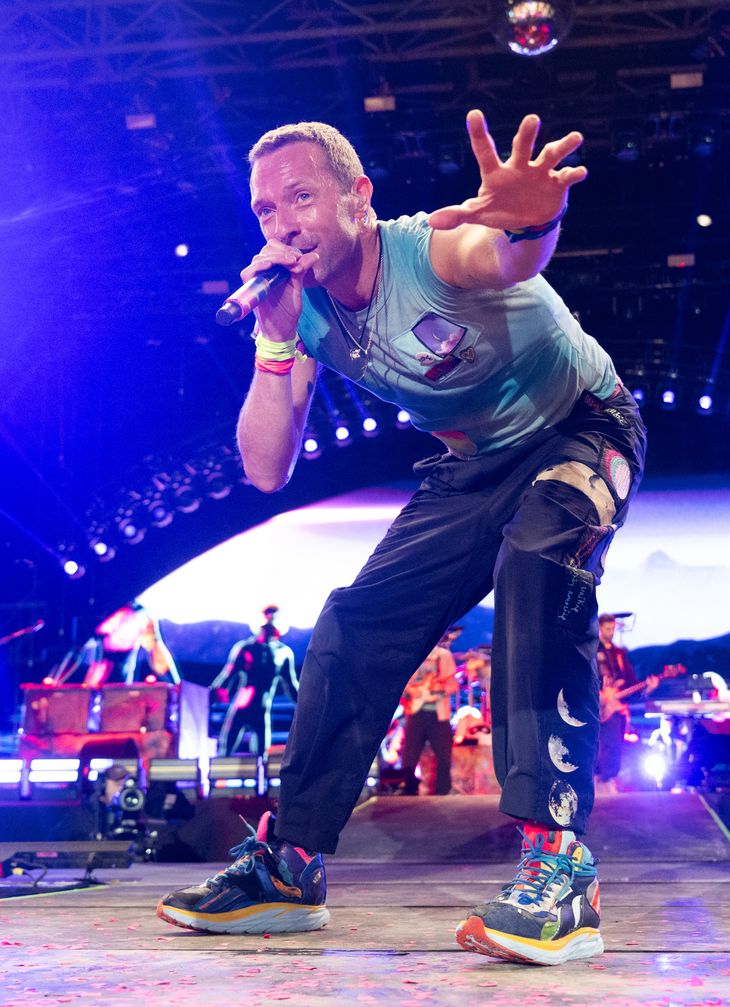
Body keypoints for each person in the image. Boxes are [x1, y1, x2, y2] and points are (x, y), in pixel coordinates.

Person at [157, 108, 646, 966]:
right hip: (471, 466)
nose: (284, 223)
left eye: (303, 197)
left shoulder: (431, 250)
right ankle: (289, 866)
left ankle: (561, 870)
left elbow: (502, 252)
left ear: (359, 200)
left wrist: (532, 217)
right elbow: (265, 468)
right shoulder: (300, 311)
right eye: (267, 211)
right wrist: (274, 342)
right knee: (354, 623)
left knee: (537, 563)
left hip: (580, 428)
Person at [211, 606, 298, 756]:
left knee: (262, 755)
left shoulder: (283, 653)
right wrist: (210, 694)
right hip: (241, 706)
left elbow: (291, 685)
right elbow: (227, 676)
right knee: (226, 750)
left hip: (262, 708)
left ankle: (259, 778)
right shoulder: (245, 648)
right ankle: (218, 778)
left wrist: (308, 704)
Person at [596, 613, 658, 794]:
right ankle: (598, 780)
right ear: (600, 628)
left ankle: (608, 779)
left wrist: (647, 687)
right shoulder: (592, 650)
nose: (611, 632)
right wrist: (598, 693)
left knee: (614, 743)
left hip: (616, 708)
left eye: (613, 628)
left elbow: (630, 682)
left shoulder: (619, 654)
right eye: (608, 628)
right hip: (598, 704)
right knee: (600, 744)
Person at [399, 641, 460, 795]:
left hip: (439, 714)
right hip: (416, 712)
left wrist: (441, 690)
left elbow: (453, 684)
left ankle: (443, 790)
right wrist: (412, 691)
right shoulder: (414, 651)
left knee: (444, 754)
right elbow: (403, 682)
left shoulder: (444, 655)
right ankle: (409, 788)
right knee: (410, 754)